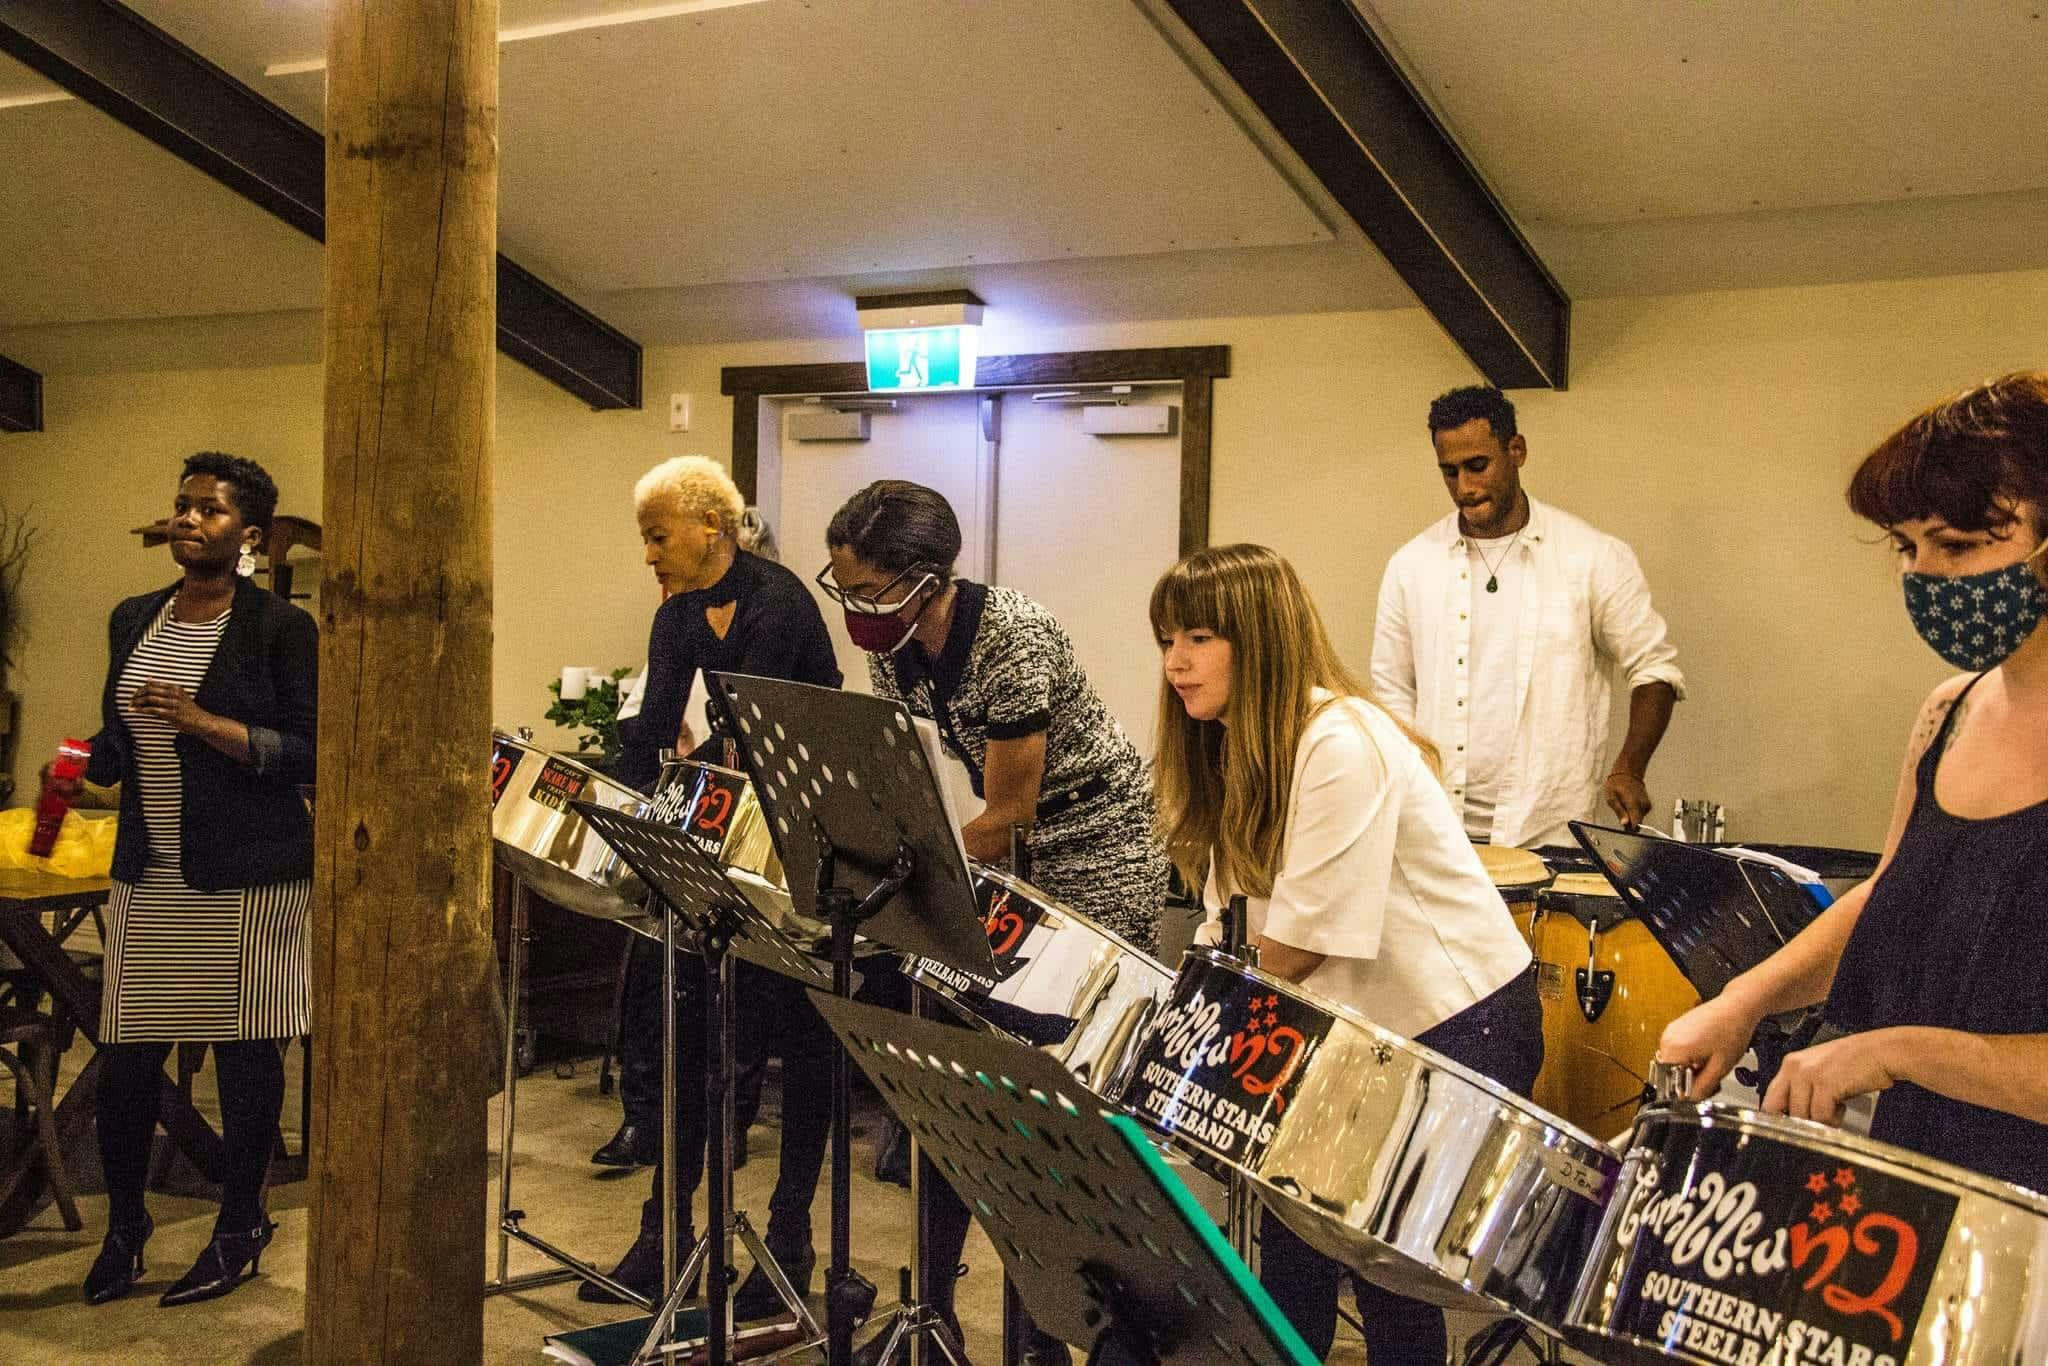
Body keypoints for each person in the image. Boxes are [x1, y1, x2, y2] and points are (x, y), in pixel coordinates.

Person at [1659, 372, 2048, 1191]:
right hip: (1924, 1179)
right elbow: (1892, 897)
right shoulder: (1948, 714)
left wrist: (1896, 1050)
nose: (1928, 576)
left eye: (1959, 545)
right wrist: (1746, 999)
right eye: (1910, 548)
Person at [1153, 542, 1540, 1362]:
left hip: (1452, 1017)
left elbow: (1292, 949)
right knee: (1290, 1254)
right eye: (1166, 641)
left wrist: (1179, 1036)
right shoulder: (1231, 743)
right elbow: (1234, 923)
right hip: (1344, 1023)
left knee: (1384, 1275)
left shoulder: (1341, 741)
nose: (1175, 664)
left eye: (1196, 639)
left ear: (1256, 640)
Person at [821, 480, 1170, 1365]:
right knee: (963, 1088)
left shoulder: (1012, 635)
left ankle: (1067, 1331)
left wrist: (915, 862)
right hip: (1004, 843)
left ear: (923, 580)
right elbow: (911, 770)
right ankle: (931, 1315)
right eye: (845, 590)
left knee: (1052, 1095)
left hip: (1096, 837)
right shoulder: (895, 644)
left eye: (866, 592)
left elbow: (1010, 809)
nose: (855, 610)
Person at [583, 456, 843, 1317]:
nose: (650, 555)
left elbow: (776, 735)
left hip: (799, 853)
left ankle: (790, 1241)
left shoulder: (780, 601)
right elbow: (656, 727)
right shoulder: (678, 618)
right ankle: (667, 1234)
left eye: (658, 537)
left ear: (709, 526)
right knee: (693, 1041)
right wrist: (602, 803)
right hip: (728, 848)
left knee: (797, 1046)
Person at [58, 452, 317, 1307]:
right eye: (180, 506)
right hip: (152, 872)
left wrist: (201, 721)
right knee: (128, 1060)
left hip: (249, 877)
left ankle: (239, 1224)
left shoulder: (280, 628)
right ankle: (126, 1229)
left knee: (247, 1060)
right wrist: (71, 769)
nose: (187, 520)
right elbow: (119, 739)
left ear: (249, 535)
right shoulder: (133, 617)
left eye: (208, 510)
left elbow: (309, 755)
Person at [1371, 384, 1686, 849]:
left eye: (1478, 466)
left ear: (1515, 450)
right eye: (1449, 472)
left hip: (1548, 828)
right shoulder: (1410, 565)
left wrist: (1629, 767)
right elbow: (1392, 691)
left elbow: (1654, 669)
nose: (1465, 487)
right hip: (1435, 830)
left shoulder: (1592, 557)